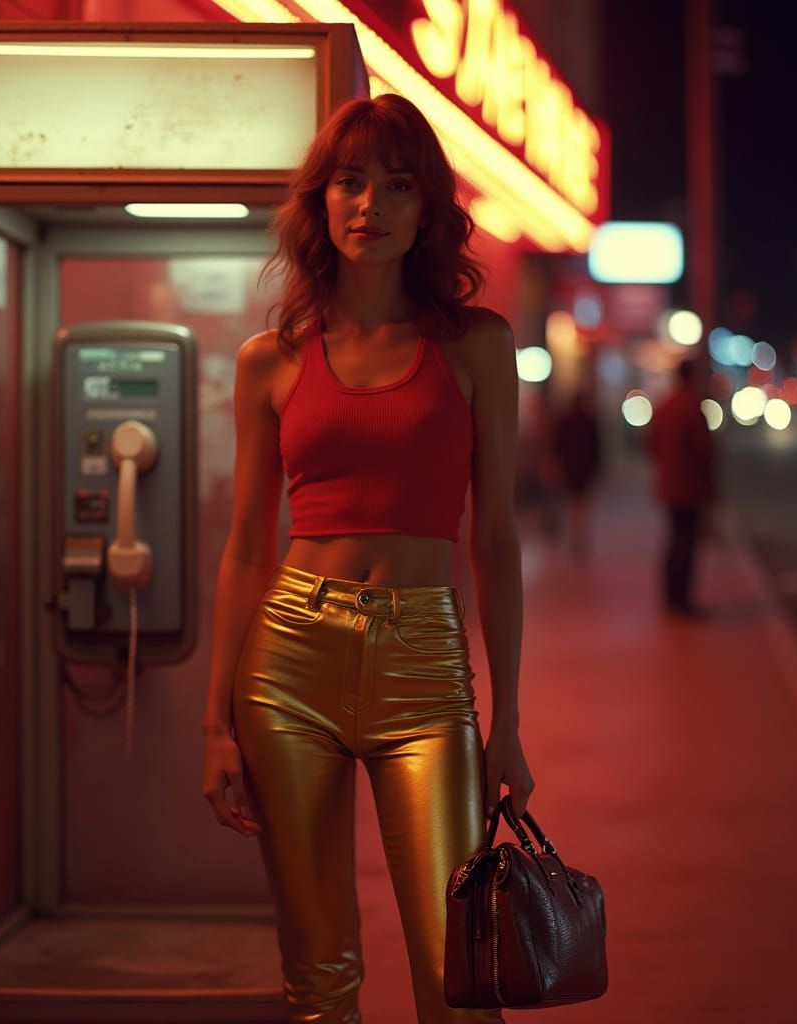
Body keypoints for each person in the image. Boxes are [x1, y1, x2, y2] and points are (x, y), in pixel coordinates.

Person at [200, 94, 533, 1023]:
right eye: (350, 181)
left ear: (428, 208)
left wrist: (507, 720)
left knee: (456, 970)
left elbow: (496, 537)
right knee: (318, 975)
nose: (369, 205)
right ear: (321, 201)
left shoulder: (476, 345)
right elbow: (244, 549)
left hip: (425, 664)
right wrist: (214, 724)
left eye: (397, 185)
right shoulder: (271, 359)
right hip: (289, 661)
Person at [646, 358, 716, 615]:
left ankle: (671, 596)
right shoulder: (691, 407)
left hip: (668, 485)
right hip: (689, 487)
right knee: (686, 544)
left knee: (674, 540)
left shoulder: (664, 407)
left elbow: (650, 445)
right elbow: (703, 451)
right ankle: (682, 600)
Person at [551, 389, 602, 558]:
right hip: (584, 468)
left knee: (573, 504)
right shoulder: (589, 420)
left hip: (571, 468)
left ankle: (576, 536)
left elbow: (558, 445)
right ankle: (581, 536)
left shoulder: (566, 421)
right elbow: (596, 448)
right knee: (583, 504)